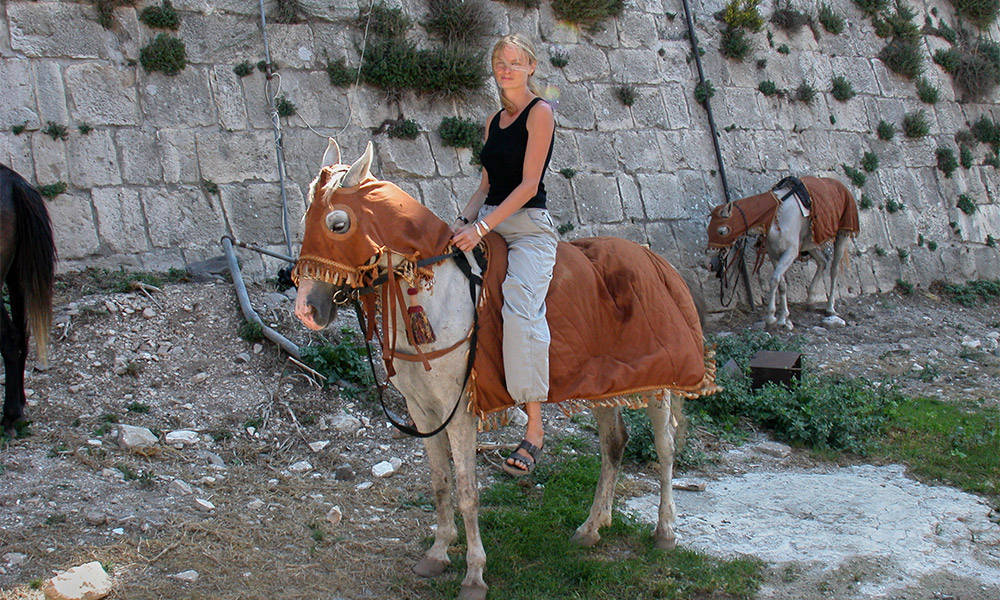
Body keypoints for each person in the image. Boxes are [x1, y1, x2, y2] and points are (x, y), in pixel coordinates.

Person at [451, 34, 557, 476]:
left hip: (528, 226)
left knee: (518, 303)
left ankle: (534, 427)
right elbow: (484, 186)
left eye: (515, 62)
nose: (506, 68)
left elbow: (529, 186)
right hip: (490, 219)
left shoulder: (541, 113)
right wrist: (462, 221)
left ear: (531, 66)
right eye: (500, 61)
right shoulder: (494, 119)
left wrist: (480, 228)